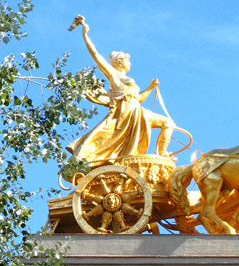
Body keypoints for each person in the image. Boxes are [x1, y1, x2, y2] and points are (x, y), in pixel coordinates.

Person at [67, 15, 174, 164]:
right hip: (127, 114)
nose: (129, 62)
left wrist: (149, 88)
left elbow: (137, 99)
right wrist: (85, 34)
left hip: (136, 111)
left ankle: (162, 154)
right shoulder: (113, 74)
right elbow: (96, 55)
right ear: (120, 61)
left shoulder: (126, 81)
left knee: (168, 123)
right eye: (127, 59)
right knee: (167, 122)